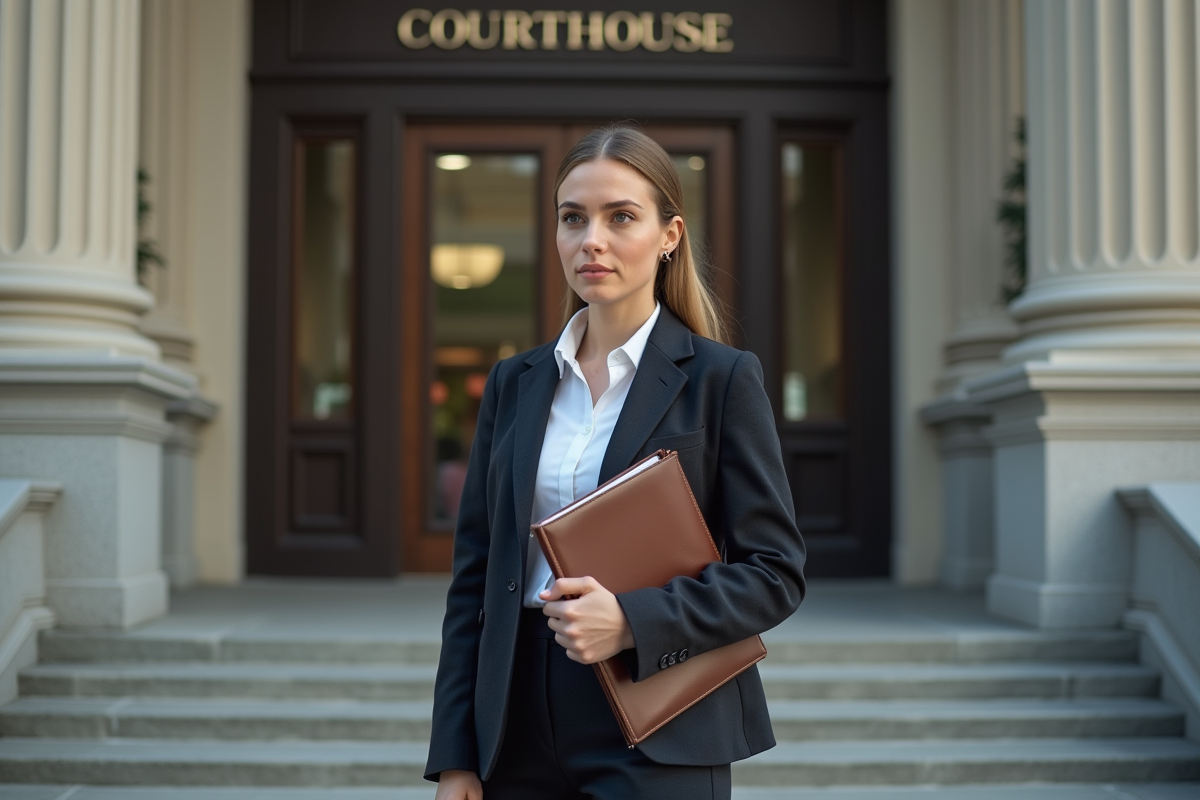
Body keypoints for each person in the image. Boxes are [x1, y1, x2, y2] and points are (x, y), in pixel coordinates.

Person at [426, 125, 806, 800]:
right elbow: (476, 582)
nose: (590, 240)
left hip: (659, 719)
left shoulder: (721, 379)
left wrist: (632, 619)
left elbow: (774, 574)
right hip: (515, 727)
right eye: (572, 218)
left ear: (669, 235)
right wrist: (458, 753)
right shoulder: (514, 383)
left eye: (620, 216)